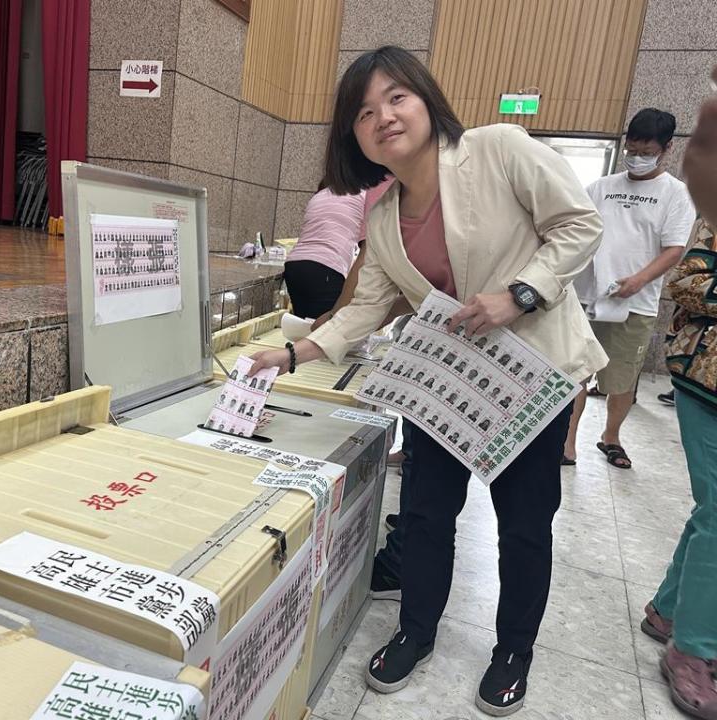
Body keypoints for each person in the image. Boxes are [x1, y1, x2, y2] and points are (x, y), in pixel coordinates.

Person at [248, 46, 606, 716]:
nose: (382, 116)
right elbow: (367, 308)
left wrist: (521, 293)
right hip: (444, 387)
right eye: (363, 111)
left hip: (529, 382)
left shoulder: (499, 149)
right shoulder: (381, 220)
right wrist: (292, 354)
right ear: (351, 135)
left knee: (524, 526)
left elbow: (580, 225)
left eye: (396, 97)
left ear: (426, 100)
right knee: (423, 515)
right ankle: (416, 629)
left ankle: (512, 651)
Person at [642, 70, 717, 719]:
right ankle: (695, 648)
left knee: (713, 510)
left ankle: (669, 611)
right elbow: (687, 281)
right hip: (706, 376)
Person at [563, 109, 696, 469]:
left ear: (666, 149)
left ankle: (611, 437)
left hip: (636, 303)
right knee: (575, 373)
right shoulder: (601, 188)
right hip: (586, 296)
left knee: (621, 380)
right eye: (631, 149)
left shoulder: (676, 195)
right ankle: (568, 443)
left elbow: (673, 250)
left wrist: (638, 280)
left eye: (646, 151)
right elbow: (576, 229)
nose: (637, 158)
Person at [282, 181, 366, 319]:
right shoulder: (364, 196)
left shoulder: (322, 194)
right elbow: (368, 251)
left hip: (294, 265)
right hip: (326, 268)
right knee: (325, 331)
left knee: (304, 325)